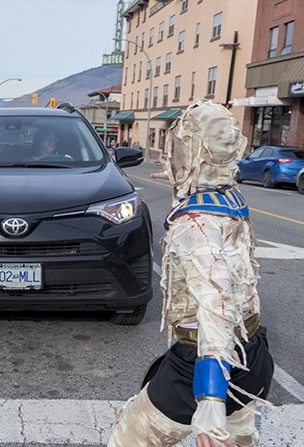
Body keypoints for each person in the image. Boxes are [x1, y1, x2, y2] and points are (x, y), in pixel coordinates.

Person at [107, 100, 273, 447]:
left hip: (203, 363)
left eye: (179, 144)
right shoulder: (230, 198)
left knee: (128, 439)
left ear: (191, 150)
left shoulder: (193, 225)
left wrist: (210, 402)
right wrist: (176, 177)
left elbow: (216, 308)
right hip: (254, 353)